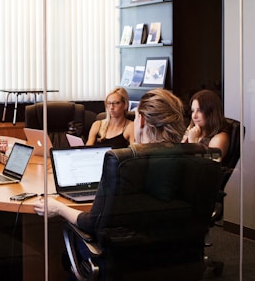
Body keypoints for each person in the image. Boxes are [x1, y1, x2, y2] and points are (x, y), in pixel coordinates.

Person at [34, 88, 186, 230]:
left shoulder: (124, 167)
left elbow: (92, 222)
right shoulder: (197, 160)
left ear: (142, 121)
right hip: (183, 252)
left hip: (125, 253)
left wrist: (58, 208)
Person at [181, 89, 230, 159]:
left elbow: (207, 165)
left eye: (200, 111)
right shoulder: (194, 131)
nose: (194, 116)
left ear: (211, 113)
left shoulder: (220, 138)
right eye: (192, 111)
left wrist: (193, 144)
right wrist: (184, 141)